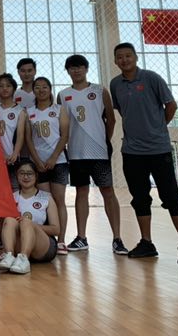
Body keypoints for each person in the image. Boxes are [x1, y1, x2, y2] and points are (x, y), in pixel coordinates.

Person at [110, 42, 178, 264]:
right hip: (132, 152)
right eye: (120, 57)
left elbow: (171, 105)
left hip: (159, 150)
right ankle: (147, 243)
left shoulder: (152, 78)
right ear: (115, 61)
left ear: (136, 57)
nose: (124, 60)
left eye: (128, 56)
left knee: (171, 197)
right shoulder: (115, 84)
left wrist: (158, 128)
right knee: (140, 198)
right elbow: (123, 111)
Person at [58, 55, 127, 255]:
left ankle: (117, 238)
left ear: (86, 69)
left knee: (108, 191)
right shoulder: (63, 95)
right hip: (76, 152)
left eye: (80, 67)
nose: (76, 70)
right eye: (72, 68)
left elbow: (111, 119)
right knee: (81, 192)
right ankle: (81, 237)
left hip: (98, 151)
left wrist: (104, 140)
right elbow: (62, 124)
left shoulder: (99, 90)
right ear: (68, 71)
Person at [25, 76, 69, 254]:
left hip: (59, 162)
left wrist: (53, 157)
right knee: (44, 202)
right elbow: (28, 139)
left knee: (59, 201)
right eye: (37, 87)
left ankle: (62, 240)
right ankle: (47, 239)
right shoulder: (29, 112)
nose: (41, 90)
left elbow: (64, 136)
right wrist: (37, 161)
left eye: (44, 87)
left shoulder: (59, 109)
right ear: (33, 90)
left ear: (50, 89)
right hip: (39, 164)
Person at [0, 73, 25, 251]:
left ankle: (15, 233)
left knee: (14, 197)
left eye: (8, 86)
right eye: (1, 86)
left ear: (14, 89)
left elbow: (21, 135)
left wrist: (15, 153)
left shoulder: (19, 111)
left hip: (12, 160)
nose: (4, 89)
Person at [0, 160, 60, 275]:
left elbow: (56, 230)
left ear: (36, 176)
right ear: (17, 176)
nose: (25, 177)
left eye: (29, 173)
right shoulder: (12, 198)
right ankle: (9, 255)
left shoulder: (46, 198)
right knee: (9, 220)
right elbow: (7, 228)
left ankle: (24, 259)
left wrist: (32, 225)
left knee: (26, 222)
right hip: (19, 243)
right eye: (22, 173)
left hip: (43, 246)